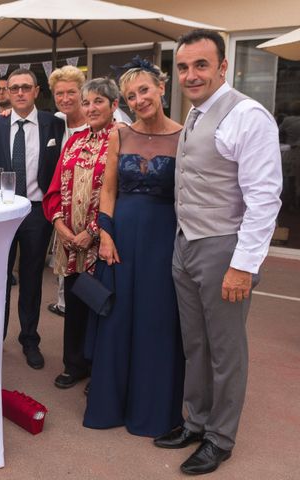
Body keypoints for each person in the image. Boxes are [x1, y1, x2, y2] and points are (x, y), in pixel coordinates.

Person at [154, 30, 283, 476]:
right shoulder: (193, 114)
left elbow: (265, 198)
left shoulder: (248, 115)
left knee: (225, 349)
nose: (191, 75)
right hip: (186, 243)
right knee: (195, 343)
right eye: (184, 67)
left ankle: (220, 438)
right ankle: (197, 421)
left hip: (224, 247)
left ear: (223, 67)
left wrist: (243, 266)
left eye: (201, 65)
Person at [84, 58, 185, 438]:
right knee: (118, 318)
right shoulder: (119, 134)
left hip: (163, 238)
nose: (139, 99)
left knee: (156, 321)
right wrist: (105, 233)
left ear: (161, 87)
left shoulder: (184, 135)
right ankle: (110, 405)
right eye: (131, 95)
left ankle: (152, 411)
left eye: (144, 90)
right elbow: (108, 188)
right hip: (120, 238)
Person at [0, 68, 64, 369]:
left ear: (36, 91)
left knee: (32, 278)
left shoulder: (53, 125)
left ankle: (30, 339)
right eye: (13, 87)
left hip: (36, 211)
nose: (19, 92)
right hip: (2, 212)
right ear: (6, 91)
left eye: (25, 87)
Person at [42, 77, 117, 389]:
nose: (91, 108)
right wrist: (61, 226)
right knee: (74, 305)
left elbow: (120, 193)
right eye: (86, 102)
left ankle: (100, 367)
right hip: (71, 242)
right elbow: (55, 188)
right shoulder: (74, 141)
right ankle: (74, 364)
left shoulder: (121, 139)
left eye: (98, 101)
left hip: (103, 242)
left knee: (101, 306)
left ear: (114, 105)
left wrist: (93, 231)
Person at [46, 65, 90, 318]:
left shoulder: (97, 123)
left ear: (81, 92)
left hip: (88, 209)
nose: (65, 99)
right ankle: (64, 306)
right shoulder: (56, 123)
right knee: (65, 267)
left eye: (71, 92)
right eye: (59, 93)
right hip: (60, 210)